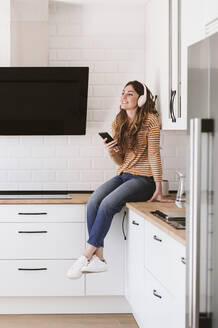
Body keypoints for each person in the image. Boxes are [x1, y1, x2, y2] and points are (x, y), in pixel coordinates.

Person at [66, 80, 172, 279]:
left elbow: (154, 154)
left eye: (130, 94)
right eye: (123, 93)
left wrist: (158, 187)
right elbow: (120, 160)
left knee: (107, 204)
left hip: (144, 180)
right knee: (93, 202)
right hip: (124, 174)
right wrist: (110, 151)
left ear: (141, 99)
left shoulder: (150, 120)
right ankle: (100, 259)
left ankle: (86, 255)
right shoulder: (119, 121)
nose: (123, 97)